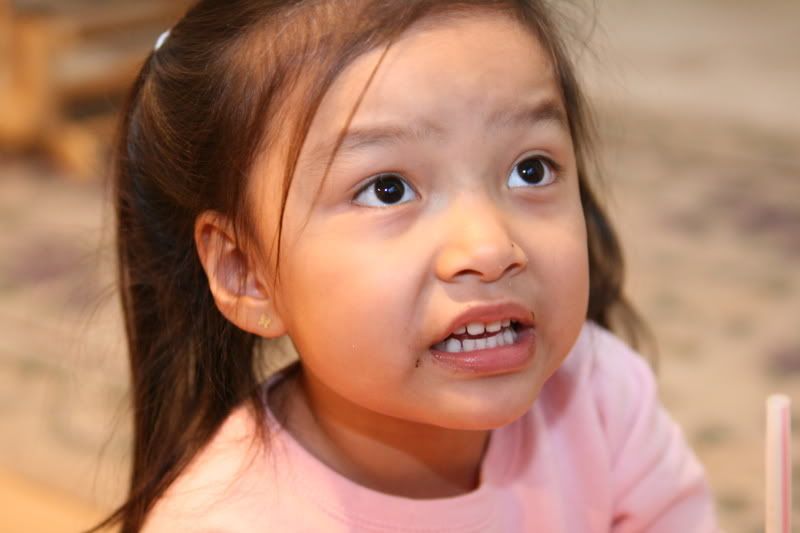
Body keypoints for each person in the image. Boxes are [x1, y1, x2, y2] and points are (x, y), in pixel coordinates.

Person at [97, 0, 719, 531]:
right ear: (246, 272)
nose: (489, 247)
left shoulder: (600, 395)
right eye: (387, 189)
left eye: (530, 170)